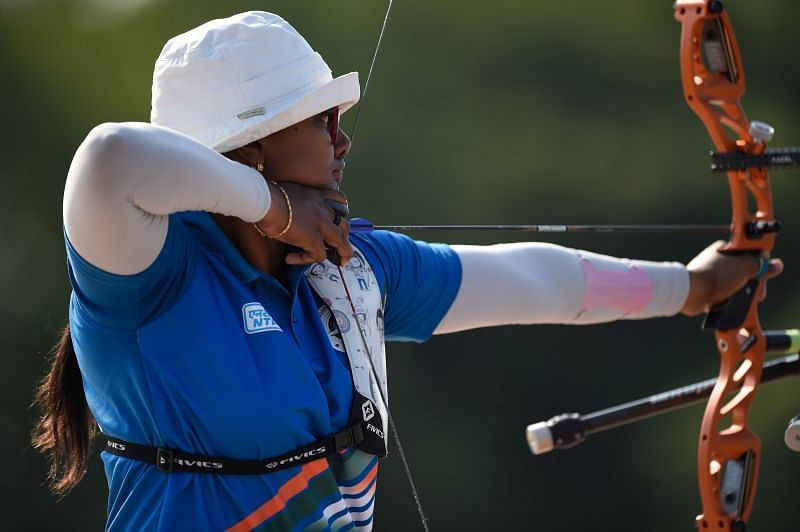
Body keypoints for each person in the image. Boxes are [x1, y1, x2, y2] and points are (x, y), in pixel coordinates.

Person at [32, 11, 781, 532]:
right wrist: (275, 208)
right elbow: (108, 159)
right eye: (318, 120)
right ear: (250, 148)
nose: (342, 139)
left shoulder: (348, 266)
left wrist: (696, 287)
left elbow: (536, 282)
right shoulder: (152, 277)